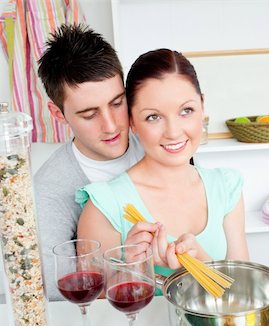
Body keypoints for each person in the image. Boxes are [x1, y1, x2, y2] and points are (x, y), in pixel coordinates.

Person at [76, 48, 249, 279]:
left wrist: (201, 261)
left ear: (202, 106)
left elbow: (242, 294)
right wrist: (135, 267)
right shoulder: (105, 206)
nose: (173, 131)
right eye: (153, 117)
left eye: (186, 110)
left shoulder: (226, 188)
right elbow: (92, 307)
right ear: (132, 123)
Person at [34, 24, 144, 300]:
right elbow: (59, 295)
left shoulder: (157, 146)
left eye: (117, 103)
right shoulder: (49, 190)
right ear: (58, 114)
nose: (111, 126)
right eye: (89, 114)